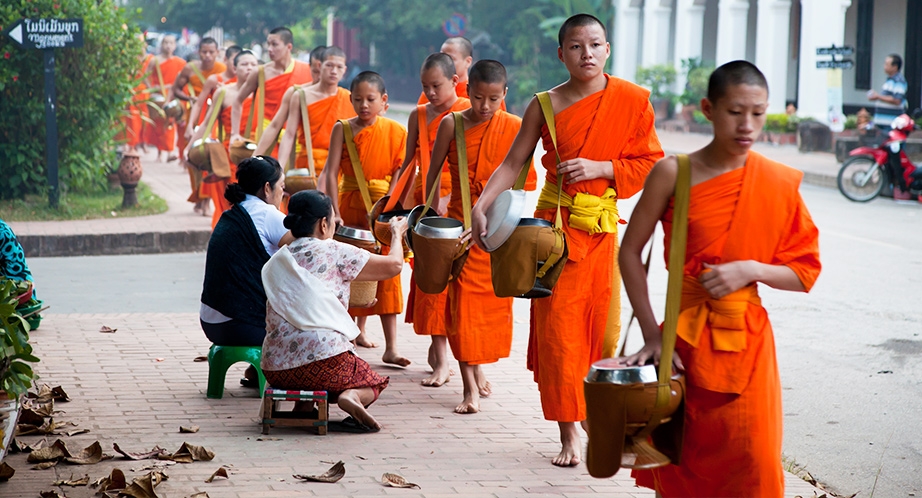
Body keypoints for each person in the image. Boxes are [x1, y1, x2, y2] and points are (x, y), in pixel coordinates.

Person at [619, 60, 822, 497]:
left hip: (748, 350)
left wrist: (751, 270)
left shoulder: (776, 182)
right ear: (708, 109)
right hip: (683, 346)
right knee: (683, 463)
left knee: (755, 462)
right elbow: (630, 252)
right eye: (735, 112)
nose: (748, 125)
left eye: (758, 112)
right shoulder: (674, 173)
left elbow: (804, 273)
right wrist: (654, 336)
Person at [469, 14, 663, 466]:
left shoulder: (632, 100)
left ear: (608, 49)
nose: (587, 54)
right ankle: (568, 432)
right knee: (559, 337)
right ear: (562, 54)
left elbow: (651, 162)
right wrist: (482, 204)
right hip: (554, 235)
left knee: (601, 333)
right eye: (576, 47)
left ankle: (599, 421)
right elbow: (515, 160)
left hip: (602, 232)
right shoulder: (545, 105)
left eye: (595, 44)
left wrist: (603, 168)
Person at [425, 60, 535, 414]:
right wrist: (429, 214)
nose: (484, 107)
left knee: (487, 312)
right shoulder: (451, 124)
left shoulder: (516, 127)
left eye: (493, 99)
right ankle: (468, 387)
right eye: (476, 97)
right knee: (462, 310)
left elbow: (522, 185)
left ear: (505, 94)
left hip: (498, 233)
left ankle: (477, 366)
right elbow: (432, 174)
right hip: (460, 231)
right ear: (465, 91)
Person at [261, 190, 407, 432]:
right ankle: (352, 397)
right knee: (371, 379)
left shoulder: (278, 260)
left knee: (311, 355)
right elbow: (394, 265)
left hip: (276, 368)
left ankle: (304, 408)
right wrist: (396, 234)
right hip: (326, 367)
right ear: (324, 224)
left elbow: (305, 303)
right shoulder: (334, 250)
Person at [391, 53, 471, 388]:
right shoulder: (419, 115)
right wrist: (394, 206)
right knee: (431, 286)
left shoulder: (471, 109)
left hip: (464, 205)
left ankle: (470, 362)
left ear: (454, 81)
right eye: (425, 86)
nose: (431, 93)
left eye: (436, 86)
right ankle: (441, 357)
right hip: (428, 209)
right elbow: (408, 163)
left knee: (466, 289)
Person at [320, 71, 410, 367]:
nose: (363, 105)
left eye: (370, 99)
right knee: (350, 272)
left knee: (388, 278)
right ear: (350, 100)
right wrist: (334, 210)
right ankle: (350, 336)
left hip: (381, 209)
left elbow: (400, 173)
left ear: (384, 101)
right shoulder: (342, 129)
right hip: (349, 206)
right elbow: (331, 172)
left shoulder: (396, 131)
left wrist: (391, 208)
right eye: (357, 99)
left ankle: (392, 347)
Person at [200, 156, 294, 386]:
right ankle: (288, 378)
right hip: (240, 325)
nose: (283, 193)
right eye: (282, 187)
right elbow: (305, 247)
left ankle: (256, 372)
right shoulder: (267, 214)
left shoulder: (233, 212)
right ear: (267, 188)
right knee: (303, 318)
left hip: (211, 322)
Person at [187, 50, 260, 229]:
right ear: (234, 68)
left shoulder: (264, 93)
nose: (249, 68)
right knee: (229, 202)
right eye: (244, 64)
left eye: (253, 64)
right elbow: (206, 124)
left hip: (257, 151)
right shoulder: (224, 92)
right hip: (229, 155)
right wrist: (189, 147)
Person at [268, 46, 357, 174]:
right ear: (320, 66)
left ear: (345, 70)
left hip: (337, 166)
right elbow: (289, 135)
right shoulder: (301, 96)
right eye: (329, 65)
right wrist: (280, 169)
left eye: (339, 67)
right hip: (308, 164)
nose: (334, 71)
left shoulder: (349, 99)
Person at [230, 27, 312, 154]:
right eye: (268, 44)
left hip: (296, 137)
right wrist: (234, 133)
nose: (269, 49)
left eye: (274, 45)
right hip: (266, 136)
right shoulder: (261, 72)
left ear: (288, 47)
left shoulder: (306, 70)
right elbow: (237, 100)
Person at [172, 38, 227, 216]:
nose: (208, 55)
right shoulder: (189, 68)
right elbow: (176, 89)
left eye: (211, 52)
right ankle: (198, 196)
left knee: (209, 157)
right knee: (194, 160)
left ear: (217, 52)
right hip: (195, 114)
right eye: (204, 52)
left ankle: (206, 201)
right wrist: (188, 98)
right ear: (198, 51)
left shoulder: (222, 70)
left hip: (213, 118)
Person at [417, 37, 506, 111]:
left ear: (468, 61)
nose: (443, 62)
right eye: (441, 57)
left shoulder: (484, 91)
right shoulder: (430, 95)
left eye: (451, 58)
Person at [184, 45, 242, 144]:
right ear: (225, 59)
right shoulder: (214, 80)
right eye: (234, 61)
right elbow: (199, 103)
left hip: (239, 125)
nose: (236, 65)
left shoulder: (246, 83)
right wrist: (190, 125)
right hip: (216, 123)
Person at [146, 35, 186, 162]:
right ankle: (159, 153)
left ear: (175, 46)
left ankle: (169, 152)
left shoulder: (180, 62)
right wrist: (153, 87)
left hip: (173, 96)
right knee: (159, 124)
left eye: (171, 43)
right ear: (162, 45)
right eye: (166, 43)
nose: (168, 46)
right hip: (159, 96)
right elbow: (146, 76)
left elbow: (184, 78)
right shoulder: (155, 61)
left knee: (171, 123)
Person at [868, 53, 908, 129]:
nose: (884, 67)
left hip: (891, 124)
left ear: (895, 67)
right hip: (883, 122)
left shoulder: (898, 81)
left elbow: (897, 100)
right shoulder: (889, 81)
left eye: (887, 64)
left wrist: (878, 97)